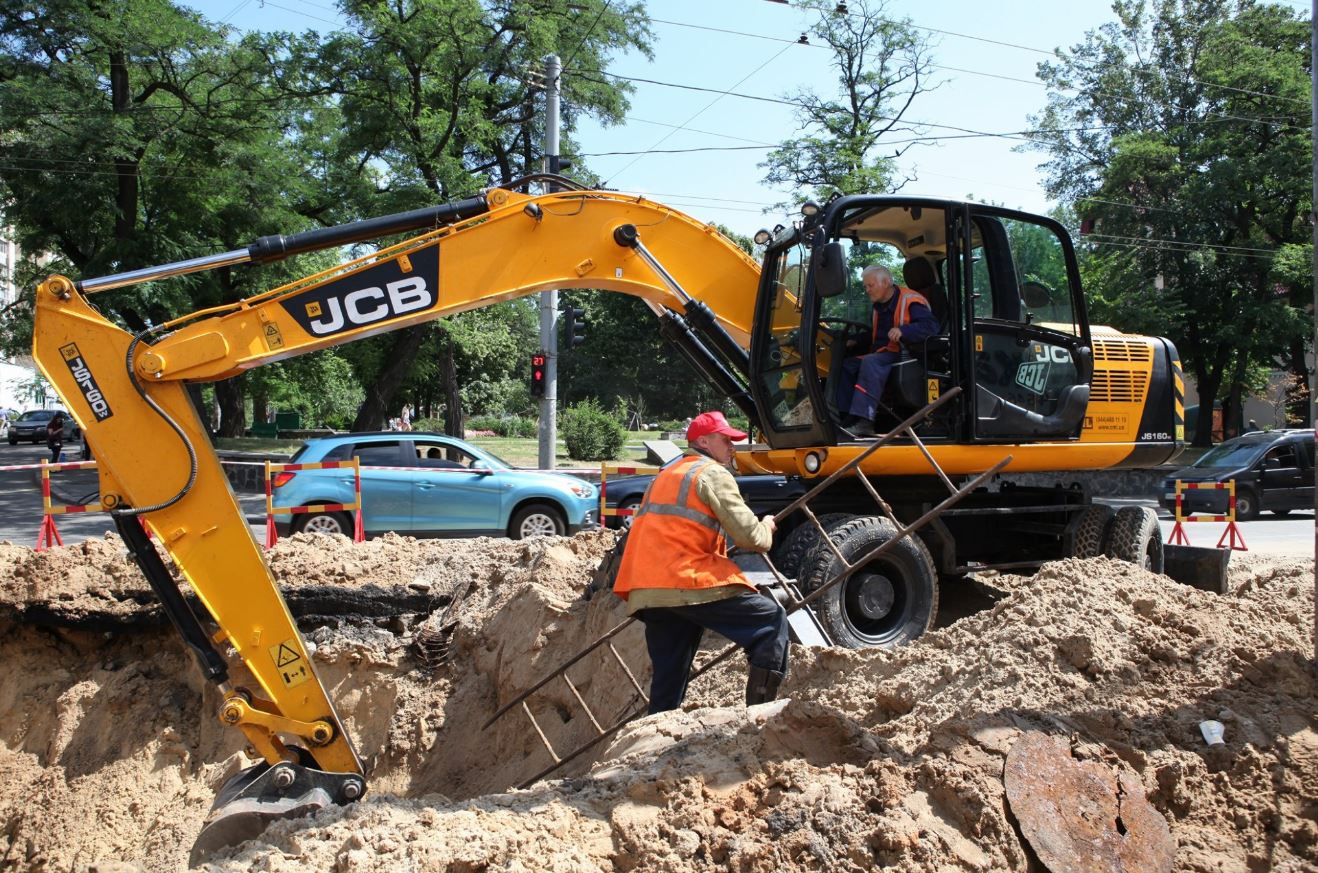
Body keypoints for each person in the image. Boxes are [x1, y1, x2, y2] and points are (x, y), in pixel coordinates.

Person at [613, 410, 788, 713]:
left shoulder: (668, 474)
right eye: (726, 440)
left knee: (669, 676)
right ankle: (759, 718)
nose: (733, 446)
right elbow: (751, 538)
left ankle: (655, 738)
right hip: (684, 579)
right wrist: (767, 527)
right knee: (770, 622)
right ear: (704, 442)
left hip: (647, 589)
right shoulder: (712, 473)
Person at [836, 264, 940, 438]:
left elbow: (931, 327)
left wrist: (904, 331)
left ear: (885, 282)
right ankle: (845, 418)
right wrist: (856, 340)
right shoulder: (879, 307)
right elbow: (877, 335)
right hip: (885, 353)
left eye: (870, 285)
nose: (867, 290)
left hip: (907, 355)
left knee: (871, 362)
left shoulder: (911, 301)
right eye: (865, 286)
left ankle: (864, 422)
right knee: (847, 365)